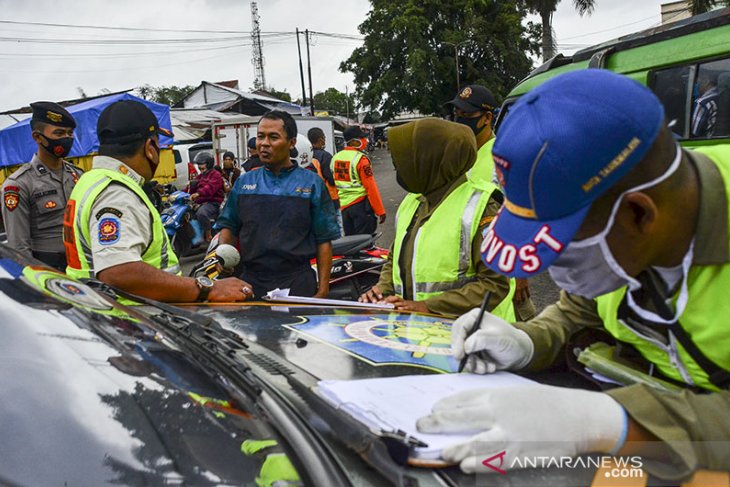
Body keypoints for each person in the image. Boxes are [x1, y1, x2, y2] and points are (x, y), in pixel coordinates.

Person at [417, 70, 730, 479]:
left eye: (561, 248)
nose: (548, 268)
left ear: (638, 214)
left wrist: (612, 422)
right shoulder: (625, 242)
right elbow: (580, 312)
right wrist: (527, 341)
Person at [63, 100, 251, 303]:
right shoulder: (117, 192)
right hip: (133, 320)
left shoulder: (90, 180)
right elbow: (118, 271)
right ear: (150, 147)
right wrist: (206, 289)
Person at [359, 119, 514, 318]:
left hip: (472, 336)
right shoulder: (413, 202)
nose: (398, 169)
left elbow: (495, 284)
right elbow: (395, 258)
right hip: (422, 334)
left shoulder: (483, 206)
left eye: (403, 162)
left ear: (430, 160)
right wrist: (382, 288)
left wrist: (428, 306)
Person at [215, 110, 341, 299]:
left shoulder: (312, 183)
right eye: (260, 136)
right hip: (251, 282)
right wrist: (224, 258)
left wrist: (323, 289)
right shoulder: (244, 183)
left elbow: (324, 240)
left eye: (273, 137)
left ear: (291, 143)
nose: (264, 143)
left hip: (298, 282)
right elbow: (229, 226)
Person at [447, 84, 536, 320]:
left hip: (502, 269)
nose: (460, 120)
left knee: (519, 334)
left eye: (467, 115)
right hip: (471, 267)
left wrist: (520, 274)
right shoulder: (461, 155)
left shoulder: (504, 155)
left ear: (487, 118)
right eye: (457, 115)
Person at [1, 102, 84, 270]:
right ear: (37, 137)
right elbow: (20, 250)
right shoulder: (19, 185)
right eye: (59, 133)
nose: (67, 138)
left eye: (70, 133)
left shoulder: (78, 175)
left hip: (82, 267)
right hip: (49, 269)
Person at [330, 126, 386, 235]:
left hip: (344, 208)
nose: (365, 141)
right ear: (354, 141)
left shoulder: (335, 158)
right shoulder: (361, 159)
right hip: (361, 207)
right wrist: (380, 210)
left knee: (351, 243)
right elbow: (370, 187)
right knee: (365, 243)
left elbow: (336, 183)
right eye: (362, 138)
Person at [308, 127, 343, 236]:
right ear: (320, 140)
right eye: (324, 137)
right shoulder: (325, 156)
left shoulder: (308, 155)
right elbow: (332, 179)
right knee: (337, 227)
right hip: (330, 198)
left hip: (315, 198)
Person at [189, 152, 224, 243]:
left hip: (213, 202)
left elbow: (210, 188)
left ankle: (208, 236)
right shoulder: (200, 176)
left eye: (202, 164)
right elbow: (189, 188)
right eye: (199, 165)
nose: (200, 167)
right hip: (200, 202)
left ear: (209, 163)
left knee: (201, 213)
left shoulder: (216, 175)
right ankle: (194, 237)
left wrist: (199, 193)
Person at [691, 70, 720, 137]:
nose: (696, 85)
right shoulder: (721, 95)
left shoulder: (702, 103)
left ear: (707, 81)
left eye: (697, 82)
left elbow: (694, 133)